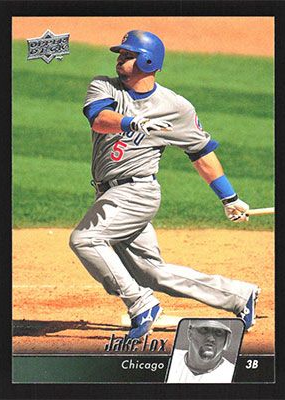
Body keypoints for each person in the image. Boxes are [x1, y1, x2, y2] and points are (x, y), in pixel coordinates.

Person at [69, 30, 260, 339]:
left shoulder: (176, 107)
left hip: (137, 192)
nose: (120, 59)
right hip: (108, 193)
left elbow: (200, 154)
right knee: (151, 272)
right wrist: (133, 122)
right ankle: (239, 296)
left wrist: (230, 198)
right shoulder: (104, 86)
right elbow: (98, 119)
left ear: (147, 61)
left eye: (128, 55)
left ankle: (141, 304)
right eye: (121, 54)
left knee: (85, 240)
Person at [166, 320, 236, 383]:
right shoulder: (169, 360)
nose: (211, 339)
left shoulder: (232, 375)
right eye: (204, 329)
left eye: (218, 332)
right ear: (190, 333)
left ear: (226, 339)